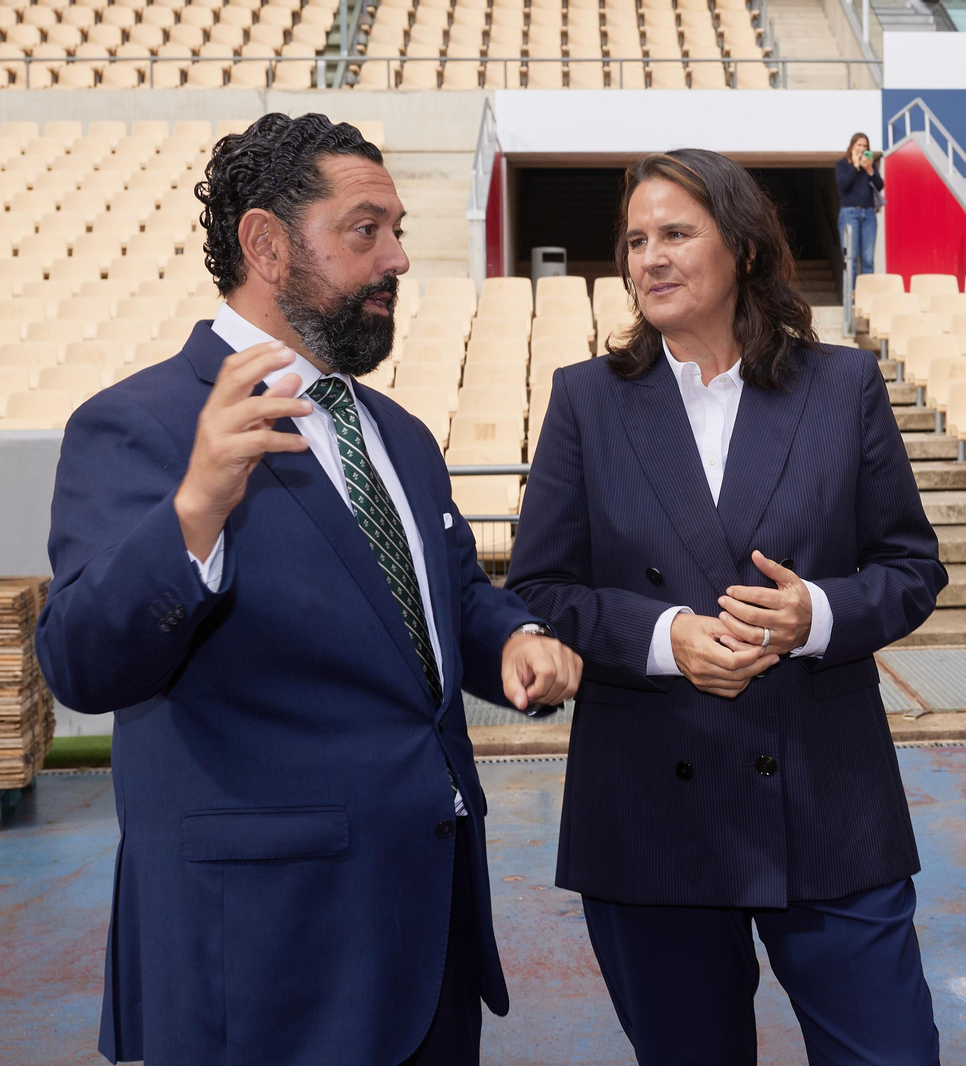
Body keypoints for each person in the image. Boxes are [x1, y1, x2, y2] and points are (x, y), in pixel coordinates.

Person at [35, 113, 582, 1066]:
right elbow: (83, 662)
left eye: (399, 229)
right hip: (259, 964)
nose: (399, 258)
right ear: (266, 243)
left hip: (427, 943)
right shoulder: (139, 425)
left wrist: (512, 642)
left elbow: (444, 600)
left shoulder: (400, 435)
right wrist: (194, 514)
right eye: (365, 229)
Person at [505, 148, 946, 1066]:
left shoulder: (842, 385)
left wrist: (814, 618)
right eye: (634, 241)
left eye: (675, 233)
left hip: (827, 799)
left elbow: (910, 569)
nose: (649, 258)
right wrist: (666, 638)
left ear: (743, 245)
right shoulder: (588, 400)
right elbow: (539, 588)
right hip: (650, 816)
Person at [835, 131, 883, 275]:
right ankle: (850, 296)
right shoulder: (842, 164)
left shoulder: (870, 165)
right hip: (849, 214)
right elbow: (843, 185)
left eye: (865, 146)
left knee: (868, 259)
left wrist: (869, 169)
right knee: (850, 259)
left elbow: (879, 185)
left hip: (869, 214)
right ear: (852, 146)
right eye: (859, 145)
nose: (862, 148)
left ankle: (866, 296)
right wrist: (855, 167)